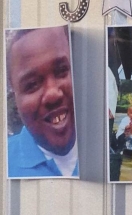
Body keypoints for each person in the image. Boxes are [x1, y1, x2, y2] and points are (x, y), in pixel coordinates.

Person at [6, 26, 78, 178]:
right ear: (15, 97)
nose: (53, 94)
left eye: (61, 71)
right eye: (31, 85)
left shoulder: (118, 146)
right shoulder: (0, 163)